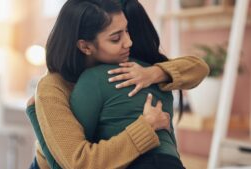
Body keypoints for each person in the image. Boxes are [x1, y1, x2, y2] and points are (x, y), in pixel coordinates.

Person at [27, 0, 209, 168]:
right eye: (115, 38)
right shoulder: (52, 87)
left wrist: (153, 73)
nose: (128, 42)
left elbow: (199, 68)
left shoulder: (125, 66)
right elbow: (79, 162)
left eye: (127, 30)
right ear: (85, 47)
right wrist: (146, 126)